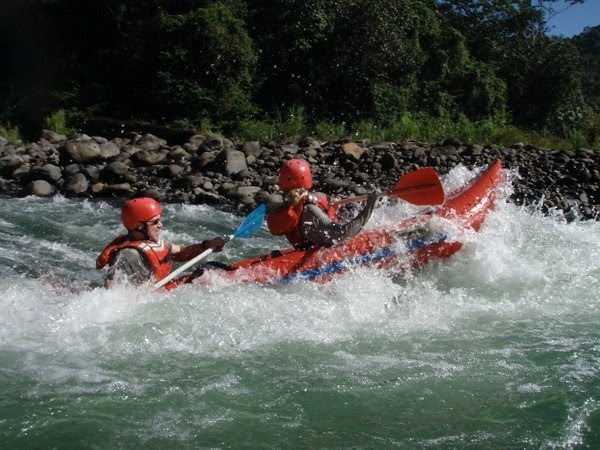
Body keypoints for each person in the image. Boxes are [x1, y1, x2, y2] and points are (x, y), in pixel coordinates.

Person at [96, 196, 226, 289]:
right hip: (153, 298)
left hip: (164, 288)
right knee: (207, 279)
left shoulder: (150, 240)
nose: (161, 225)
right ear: (139, 226)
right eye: (155, 222)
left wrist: (205, 246)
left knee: (211, 268)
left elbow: (180, 252)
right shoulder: (129, 255)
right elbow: (113, 288)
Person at [267, 158, 379, 249]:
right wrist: (369, 207)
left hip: (306, 246)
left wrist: (331, 209)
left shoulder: (290, 205)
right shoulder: (309, 210)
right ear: (307, 178)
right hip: (320, 251)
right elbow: (341, 235)